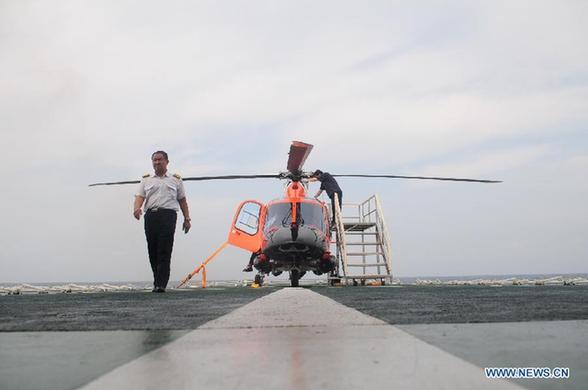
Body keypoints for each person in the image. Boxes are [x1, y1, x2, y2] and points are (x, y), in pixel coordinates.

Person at [133, 151, 191, 293]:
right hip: (151, 216)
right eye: (154, 160)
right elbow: (140, 196)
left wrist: (187, 219)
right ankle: (157, 281)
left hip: (168, 216)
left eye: (160, 160)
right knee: (152, 250)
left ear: (167, 162)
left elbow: (182, 200)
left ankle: (161, 284)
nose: (157, 162)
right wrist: (136, 209)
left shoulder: (176, 180)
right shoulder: (146, 179)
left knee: (164, 250)